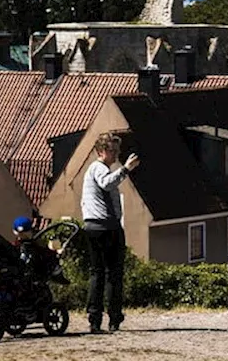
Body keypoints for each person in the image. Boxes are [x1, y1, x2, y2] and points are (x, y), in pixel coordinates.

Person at [80, 132, 139, 334]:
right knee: (112, 274)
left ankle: (97, 318)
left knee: (98, 273)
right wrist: (126, 169)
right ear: (101, 151)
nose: (115, 154)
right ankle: (110, 317)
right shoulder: (98, 168)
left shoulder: (96, 170)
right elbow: (107, 183)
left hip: (95, 226)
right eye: (112, 150)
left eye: (117, 151)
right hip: (106, 227)